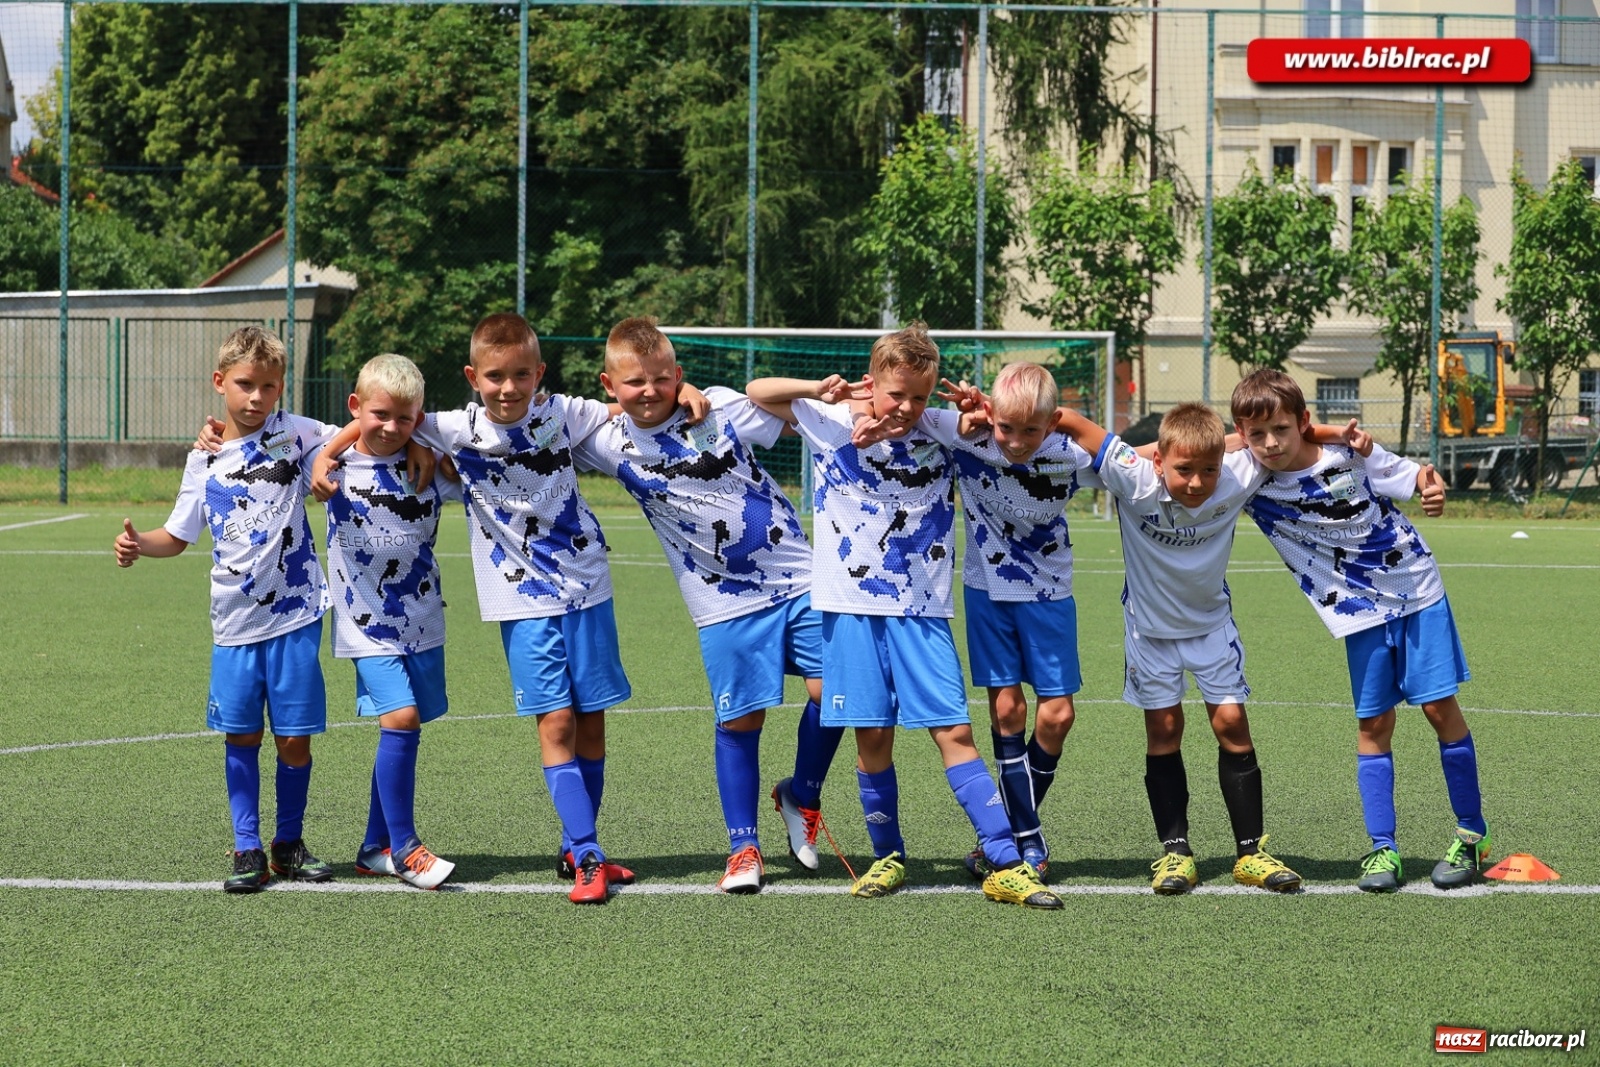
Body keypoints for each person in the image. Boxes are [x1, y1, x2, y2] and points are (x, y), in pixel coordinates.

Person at [314, 313, 698, 904]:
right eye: (495, 376)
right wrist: (331, 454)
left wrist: (687, 389)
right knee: (558, 722)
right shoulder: (451, 427)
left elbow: (638, 403)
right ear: (473, 377)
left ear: (539, 373)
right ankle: (589, 849)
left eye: (521, 374)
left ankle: (577, 849)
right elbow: (379, 421)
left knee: (592, 719)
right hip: (520, 599)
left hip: (588, 584)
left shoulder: (565, 414)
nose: (508, 388)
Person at [746, 323, 1062, 910]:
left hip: (922, 609)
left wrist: (976, 405)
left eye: (920, 395)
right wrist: (828, 391)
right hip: (848, 609)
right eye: (897, 394)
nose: (909, 408)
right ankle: (887, 855)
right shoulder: (831, 420)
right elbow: (758, 390)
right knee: (873, 735)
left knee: (954, 730)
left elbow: (1001, 432)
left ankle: (1004, 856)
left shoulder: (939, 428)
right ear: (874, 382)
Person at [571, 317, 844, 893]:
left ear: (679, 376)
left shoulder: (718, 409)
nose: (649, 391)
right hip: (722, 605)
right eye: (633, 383)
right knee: (741, 720)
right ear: (608, 385)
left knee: (838, 692)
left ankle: (802, 795)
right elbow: (527, 416)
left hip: (800, 580)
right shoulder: (602, 438)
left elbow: (777, 409)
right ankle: (743, 848)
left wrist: (695, 396)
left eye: (662, 379)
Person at [1230, 369, 1485, 892]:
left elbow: (1413, 476)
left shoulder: (1351, 456)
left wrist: (1430, 487)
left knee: (1440, 710)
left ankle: (1471, 835)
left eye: (1281, 428)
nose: (1270, 443)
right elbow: (1187, 447)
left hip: (1416, 590)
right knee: (1374, 726)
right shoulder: (1251, 481)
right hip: (1358, 616)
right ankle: (1382, 850)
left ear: (1302, 421)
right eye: (1256, 435)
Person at [114, 325, 341, 893]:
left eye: (270, 385)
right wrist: (141, 542)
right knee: (242, 736)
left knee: (294, 737)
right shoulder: (204, 460)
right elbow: (179, 533)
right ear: (220, 383)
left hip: (296, 614)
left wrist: (324, 461)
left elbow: (356, 432)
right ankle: (247, 848)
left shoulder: (294, 432)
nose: (258, 397)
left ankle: (287, 845)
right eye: (245, 384)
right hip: (235, 623)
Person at [1054, 401, 1304, 895]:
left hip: (1212, 627)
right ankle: (1175, 853)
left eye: (1207, 470)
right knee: (1164, 728)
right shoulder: (1133, 477)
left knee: (1231, 722)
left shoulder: (1240, 473)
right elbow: (1071, 421)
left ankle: (1250, 852)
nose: (1196, 482)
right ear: (1158, 462)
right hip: (1149, 633)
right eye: (1183, 470)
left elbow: (1285, 439)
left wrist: (1351, 438)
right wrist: (995, 409)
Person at [939, 362, 1103, 881]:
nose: (1015, 441)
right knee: (1007, 711)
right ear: (991, 414)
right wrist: (962, 412)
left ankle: (1005, 828)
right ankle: (1027, 841)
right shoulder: (969, 439)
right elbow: (910, 415)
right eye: (1006, 428)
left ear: (1052, 422)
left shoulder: (1066, 454)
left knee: (1057, 717)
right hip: (986, 593)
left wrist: (1077, 424)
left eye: (1031, 429)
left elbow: (1134, 459)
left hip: (1049, 594)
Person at [323, 353, 460, 890]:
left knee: (408, 724)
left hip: (422, 620)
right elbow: (265, 441)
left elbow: (484, 464)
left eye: (405, 419)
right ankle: (405, 848)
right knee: (399, 720)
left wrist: (432, 450)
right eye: (379, 414)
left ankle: (371, 847)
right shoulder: (328, 464)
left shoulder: (424, 464)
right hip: (365, 626)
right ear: (356, 408)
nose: (390, 427)